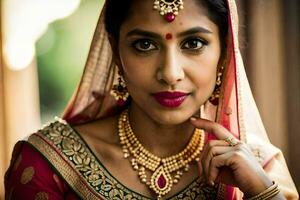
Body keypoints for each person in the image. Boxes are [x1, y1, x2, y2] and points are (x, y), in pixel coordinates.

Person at [4, 0, 298, 199]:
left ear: (224, 53)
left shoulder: (260, 168)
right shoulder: (49, 163)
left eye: (193, 43)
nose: (170, 73)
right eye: (144, 44)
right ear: (115, 51)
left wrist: (263, 192)